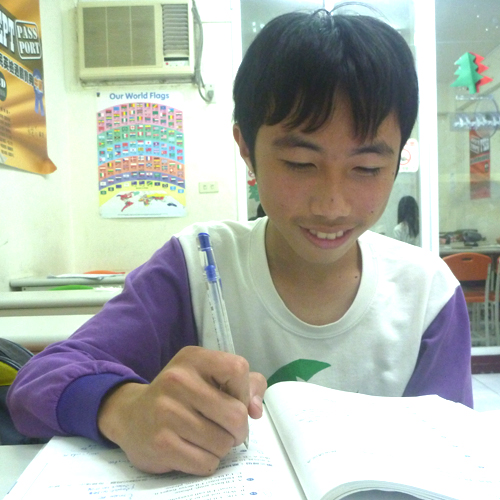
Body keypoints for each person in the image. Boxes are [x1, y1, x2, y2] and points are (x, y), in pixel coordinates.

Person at [8, 7, 472, 478]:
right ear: (247, 149)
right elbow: (36, 384)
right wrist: (124, 408)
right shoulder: (195, 265)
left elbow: (452, 455)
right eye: (300, 163)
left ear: (398, 160)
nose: (332, 204)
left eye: (367, 168)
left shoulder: (427, 295)